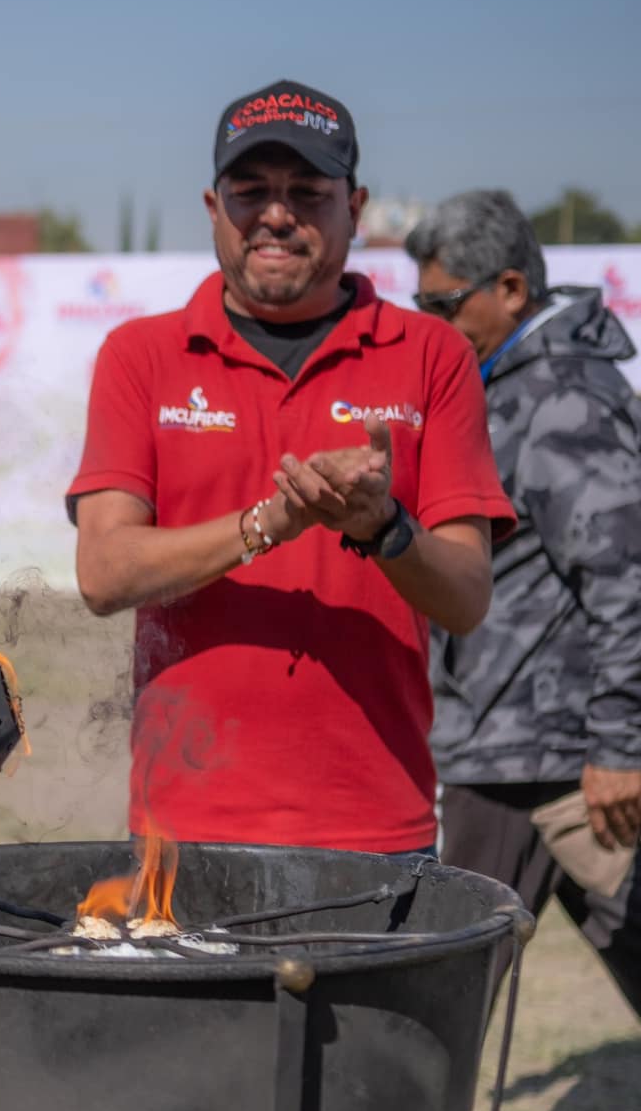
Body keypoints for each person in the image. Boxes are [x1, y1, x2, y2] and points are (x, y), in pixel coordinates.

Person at [66, 80, 514, 856]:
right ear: (214, 208)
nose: (277, 214)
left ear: (356, 206)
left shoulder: (432, 355)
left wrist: (385, 528)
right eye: (252, 192)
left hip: (378, 830)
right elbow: (105, 574)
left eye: (307, 190)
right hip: (185, 833)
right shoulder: (141, 356)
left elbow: (468, 598)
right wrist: (271, 523)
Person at [407, 192, 641, 1111]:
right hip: (513, 735)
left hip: (533, 748)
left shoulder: (561, 397)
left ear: (510, 288)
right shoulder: (510, 380)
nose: (430, 324)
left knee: (432, 980)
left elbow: (625, 581)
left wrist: (616, 748)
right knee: (640, 945)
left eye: (442, 302)